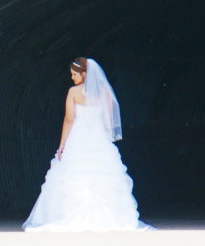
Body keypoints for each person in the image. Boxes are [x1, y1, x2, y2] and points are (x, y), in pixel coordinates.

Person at [23, 57, 150, 232]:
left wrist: (61, 145)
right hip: (99, 141)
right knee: (104, 179)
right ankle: (108, 219)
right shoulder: (104, 92)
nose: (72, 78)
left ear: (84, 74)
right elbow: (110, 113)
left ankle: (69, 217)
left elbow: (69, 119)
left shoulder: (74, 92)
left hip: (78, 140)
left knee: (73, 178)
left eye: (74, 75)